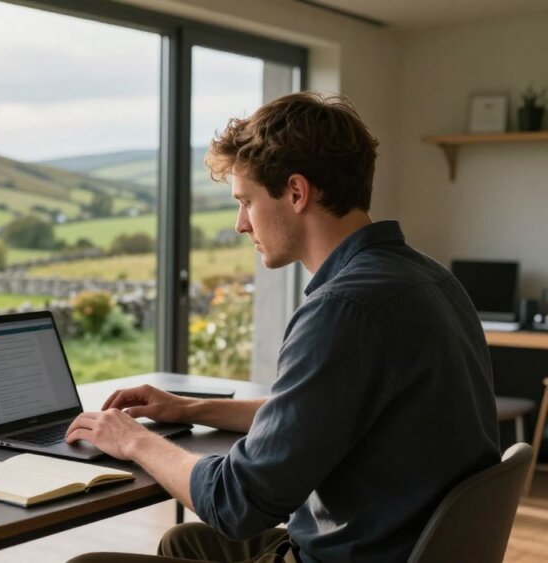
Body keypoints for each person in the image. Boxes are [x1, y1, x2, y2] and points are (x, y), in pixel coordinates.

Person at [65, 91, 500, 563]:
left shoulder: (343, 310)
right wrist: (186, 407)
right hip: (403, 542)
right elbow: (310, 414)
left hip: (352, 554)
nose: (240, 224)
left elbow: (237, 504)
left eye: (246, 201)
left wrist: (132, 439)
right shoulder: (429, 277)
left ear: (296, 192)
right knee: (183, 542)